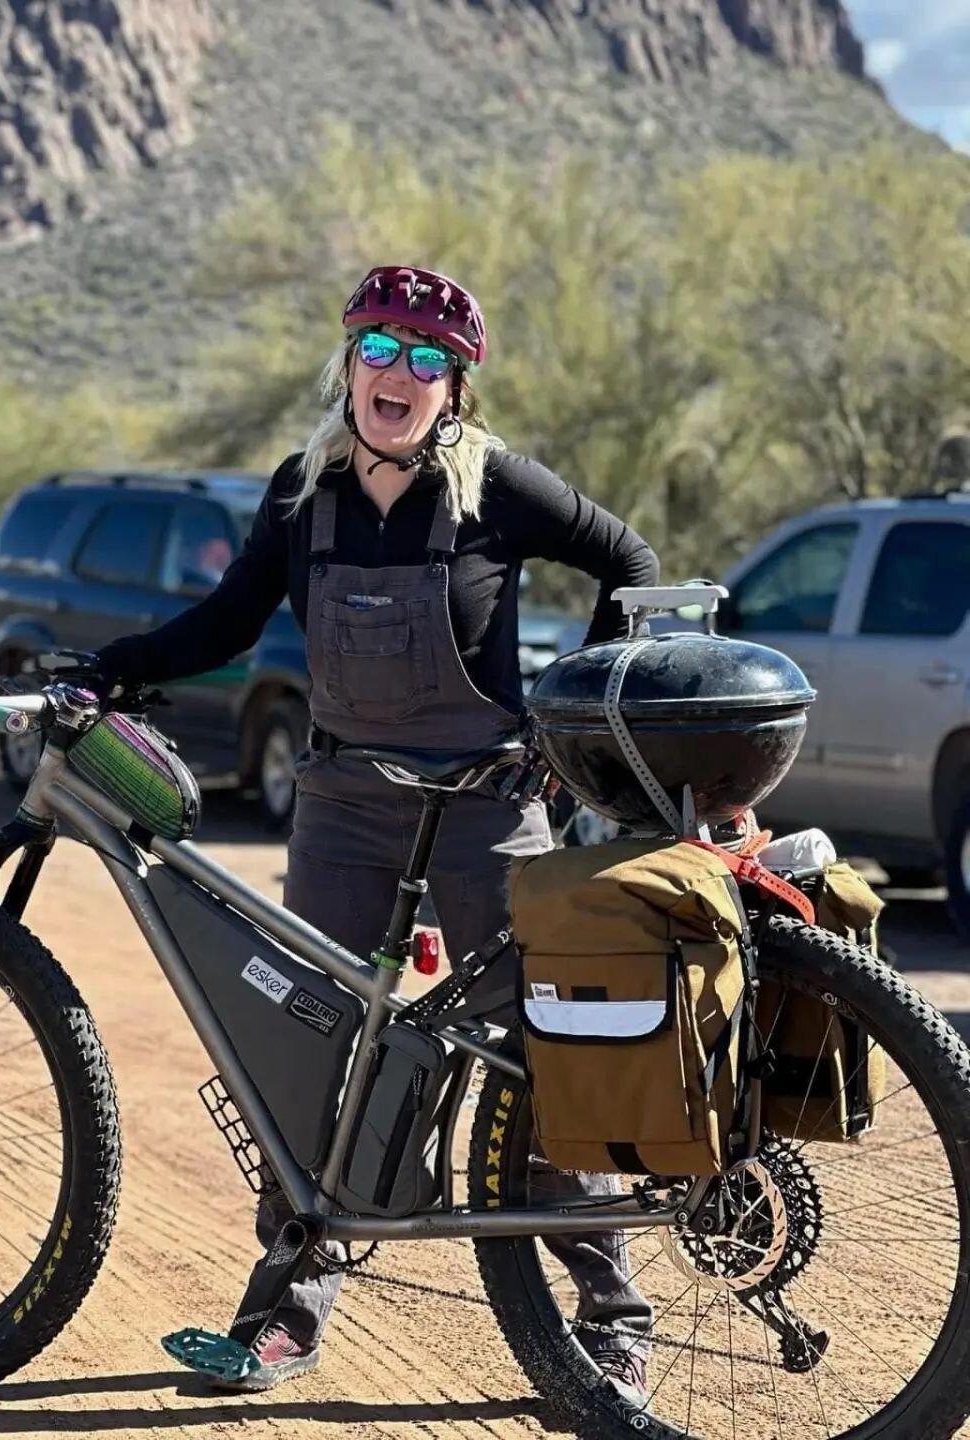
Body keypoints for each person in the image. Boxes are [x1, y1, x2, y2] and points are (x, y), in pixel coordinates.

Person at [93, 265, 658, 1399]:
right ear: (348, 362)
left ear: (454, 389)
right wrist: (111, 668)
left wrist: (563, 724)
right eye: (380, 349)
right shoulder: (302, 495)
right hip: (345, 805)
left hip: (487, 806)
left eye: (426, 359)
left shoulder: (495, 486)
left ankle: (612, 1318)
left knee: (536, 1053)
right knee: (313, 1048)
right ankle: (283, 1320)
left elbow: (630, 564)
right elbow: (229, 621)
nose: (398, 374)